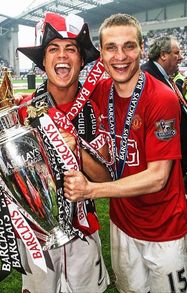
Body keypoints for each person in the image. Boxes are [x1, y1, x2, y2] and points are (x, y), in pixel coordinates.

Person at [64, 13, 187, 293]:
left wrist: (91, 190)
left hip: (163, 229)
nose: (121, 56)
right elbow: (63, 92)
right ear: (102, 55)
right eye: (111, 47)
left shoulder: (161, 98)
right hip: (122, 224)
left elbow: (157, 177)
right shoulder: (100, 90)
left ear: (142, 49)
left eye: (129, 46)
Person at [16, 12, 110, 293]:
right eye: (53, 49)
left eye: (71, 49)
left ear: (81, 60)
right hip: (36, 234)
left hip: (83, 230)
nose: (63, 56)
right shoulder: (22, 110)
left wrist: (76, 149)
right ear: (43, 61)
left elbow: (105, 180)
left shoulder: (95, 110)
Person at [141, 36, 187, 178]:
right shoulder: (147, 77)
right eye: (176, 53)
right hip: (166, 164)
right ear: (163, 55)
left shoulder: (163, 76)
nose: (180, 57)